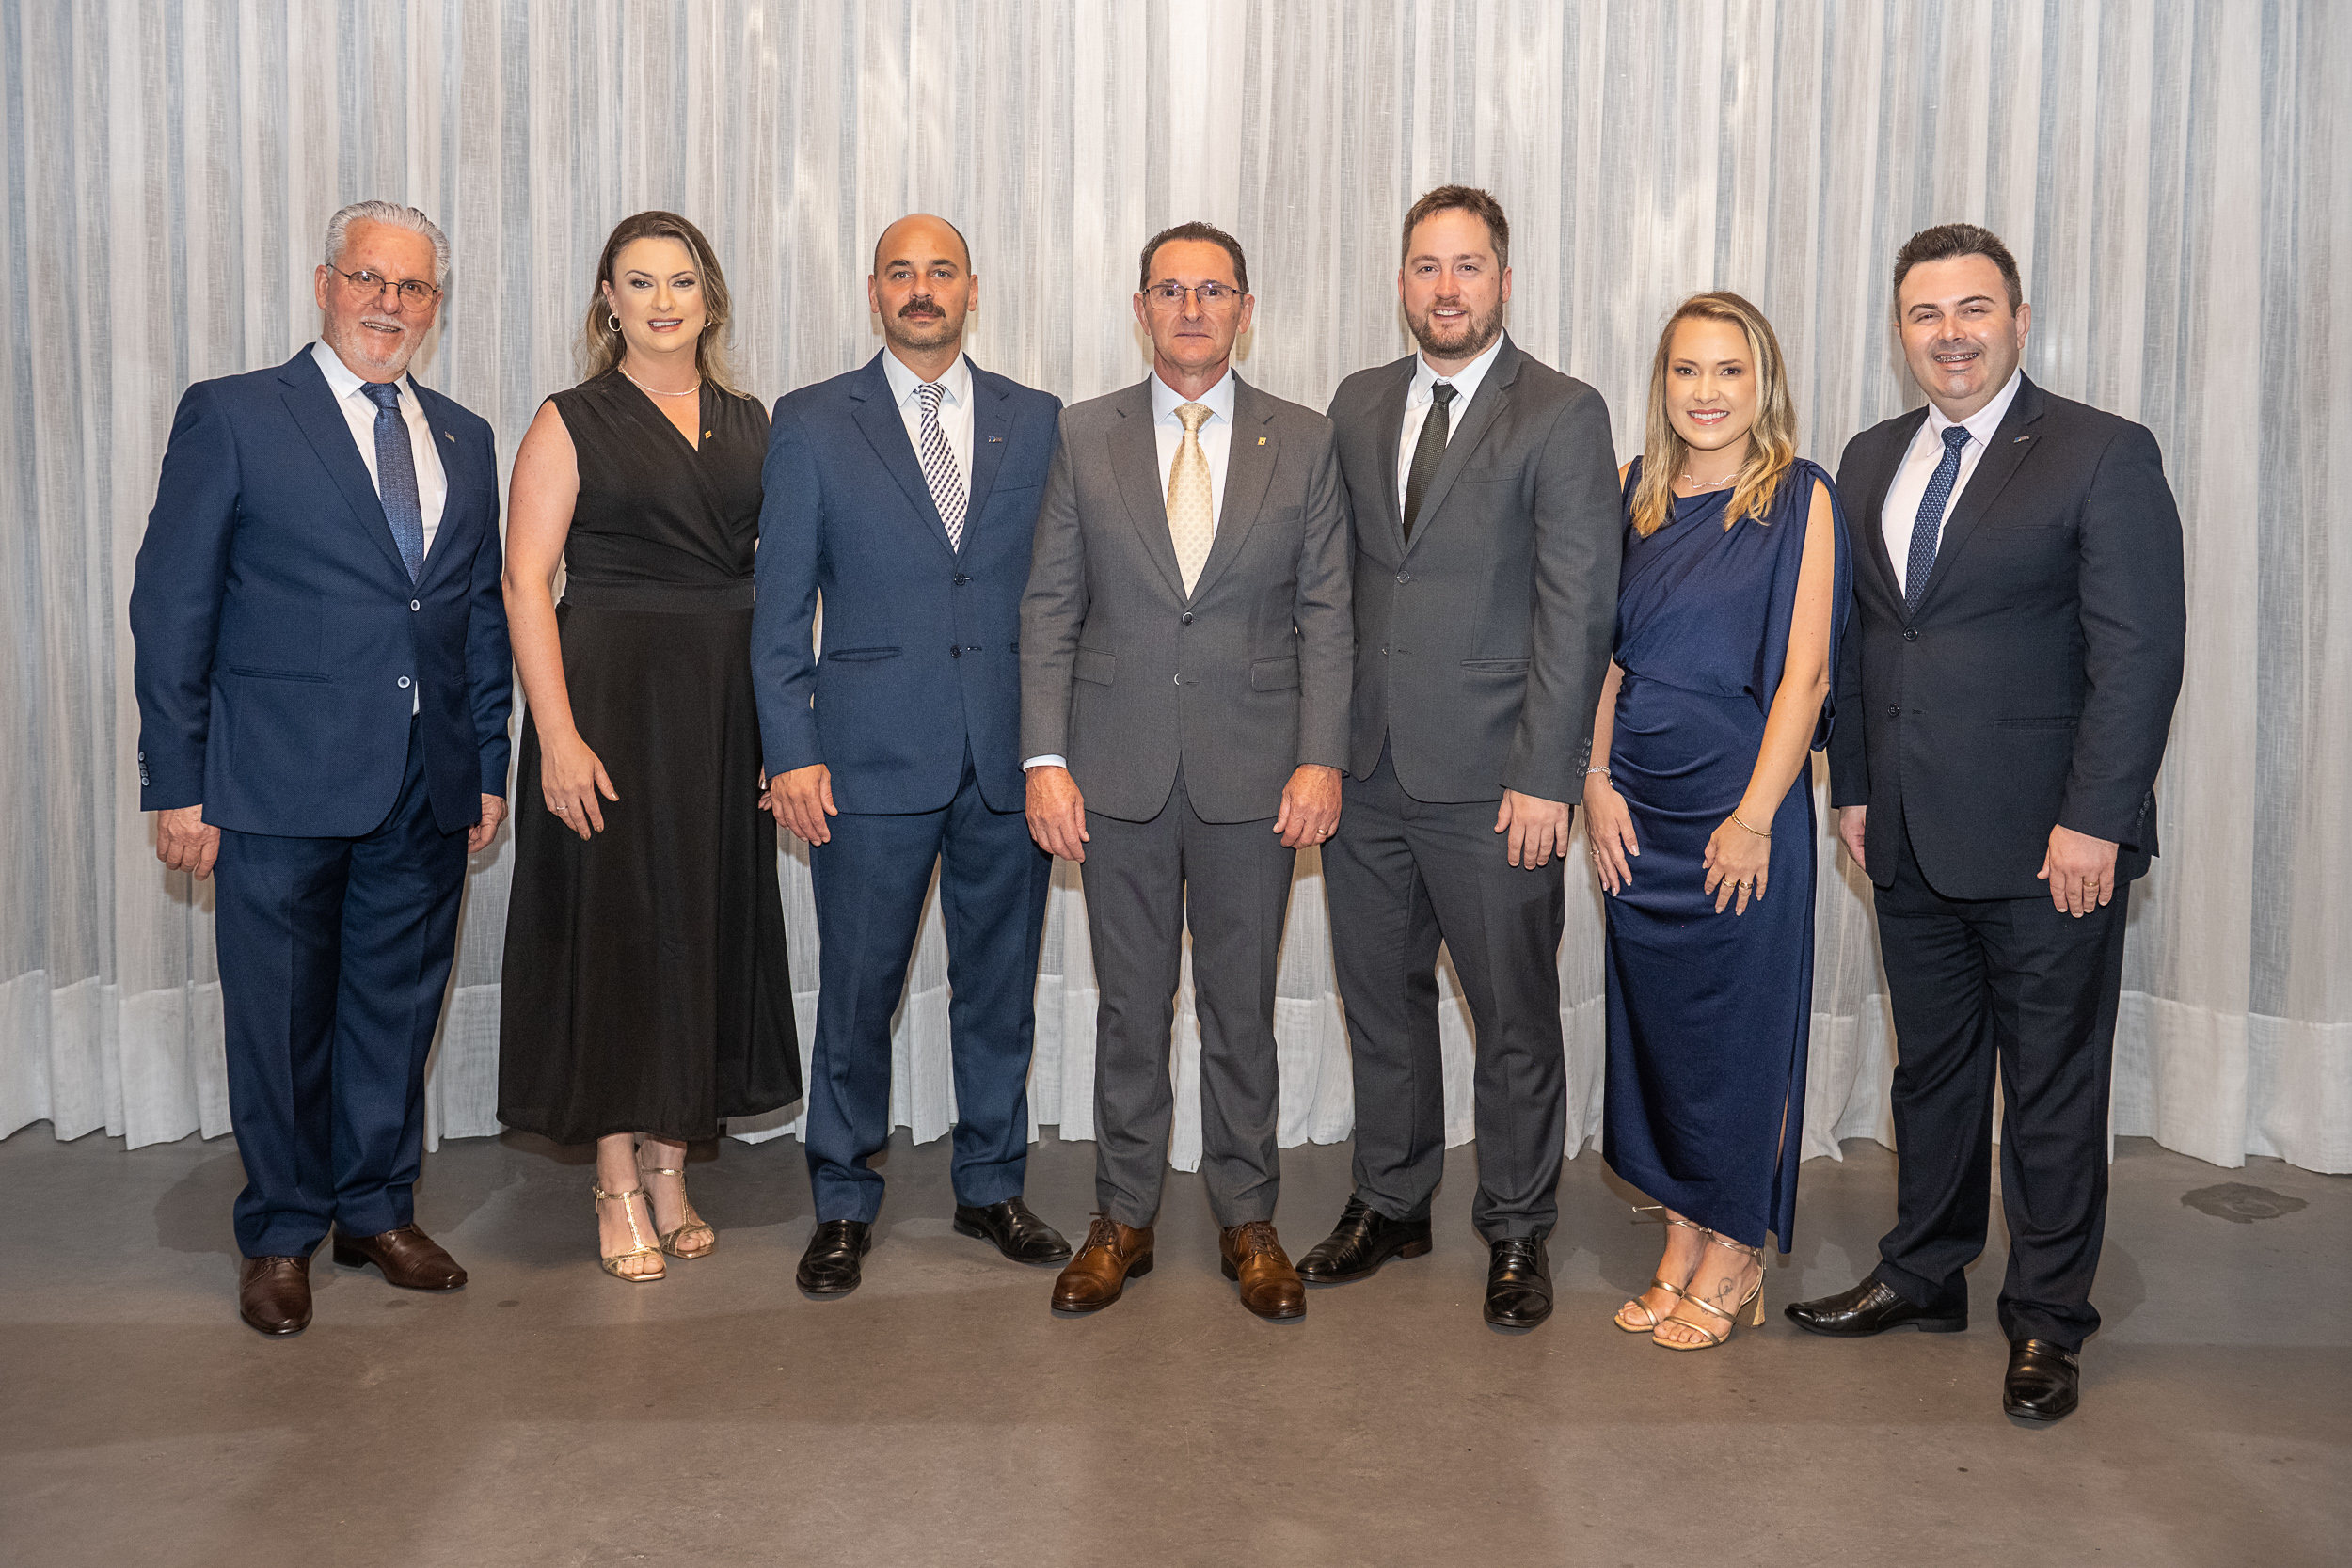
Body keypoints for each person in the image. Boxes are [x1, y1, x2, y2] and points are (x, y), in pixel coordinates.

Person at [1784, 224, 2185, 1423]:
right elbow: (1867, 641)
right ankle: (1924, 1270)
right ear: (1898, 329)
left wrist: (2094, 821)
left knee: (2051, 1088)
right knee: (1932, 1072)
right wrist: (1855, 789)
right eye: (1925, 313)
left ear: (2017, 319)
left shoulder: (2101, 452)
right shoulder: (1868, 457)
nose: (1949, 334)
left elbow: (2138, 656)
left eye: (1972, 309)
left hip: (2049, 845)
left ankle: (2047, 1318)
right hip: (1905, 835)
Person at [129, 200, 511, 1336]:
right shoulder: (237, 414)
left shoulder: (465, 436)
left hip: (425, 781)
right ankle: (282, 1229)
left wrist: (487, 762)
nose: (389, 304)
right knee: (282, 1016)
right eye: (369, 279)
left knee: (396, 1008)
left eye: (413, 287)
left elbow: (475, 617)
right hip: (274, 780)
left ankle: (376, 1209)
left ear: (435, 305)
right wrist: (178, 780)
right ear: (324, 282)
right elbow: (171, 607)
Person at [1021, 221, 1352, 1322]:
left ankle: (1248, 1218)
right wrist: (1045, 758)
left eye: (1213, 291)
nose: (1193, 309)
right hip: (1111, 771)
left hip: (1255, 775)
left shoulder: (1303, 438)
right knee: (1129, 1008)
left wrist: (1319, 756)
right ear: (1141, 308)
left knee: (1240, 1007)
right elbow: (1049, 606)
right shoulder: (1085, 433)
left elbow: (1326, 613)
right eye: (1171, 289)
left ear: (1245, 309)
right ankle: (1122, 1217)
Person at [1305, 186, 1620, 1328]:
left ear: (1503, 280)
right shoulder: (1356, 401)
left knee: (1511, 1015)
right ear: (1401, 281)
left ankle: (1517, 1224)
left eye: (1468, 266)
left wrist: (1546, 776)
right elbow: (1334, 583)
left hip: (1496, 783)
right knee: (1379, 1002)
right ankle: (1391, 1199)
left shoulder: (1562, 412)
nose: (1446, 288)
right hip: (1366, 771)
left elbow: (1576, 612)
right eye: (1427, 267)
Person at [752, 214, 1068, 1297]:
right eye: (901, 272)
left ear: (972, 288)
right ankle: (842, 1199)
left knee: (999, 992)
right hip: (865, 761)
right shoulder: (811, 421)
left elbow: (1057, 595)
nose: (921, 289)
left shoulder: (1037, 420)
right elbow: (779, 608)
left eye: (940, 271)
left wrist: (1055, 750)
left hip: (1005, 760)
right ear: (873, 290)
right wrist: (790, 750)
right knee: (856, 993)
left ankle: (991, 1184)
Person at [497, 211, 800, 1283]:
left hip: (722, 707)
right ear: (608, 301)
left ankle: (674, 1168)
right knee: (618, 933)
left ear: (709, 298)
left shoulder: (753, 421)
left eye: (681, 280)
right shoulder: (569, 417)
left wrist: (779, 727)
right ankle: (616, 1176)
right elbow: (524, 580)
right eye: (639, 281)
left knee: (702, 926)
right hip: (609, 704)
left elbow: (779, 581)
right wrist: (557, 735)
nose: (662, 300)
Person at [1583, 293, 1848, 1351]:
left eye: (1729, 370)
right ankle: (1683, 1233)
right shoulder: (1631, 491)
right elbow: (1605, 658)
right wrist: (1593, 778)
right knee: (1660, 1033)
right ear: (1663, 384)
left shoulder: (1799, 495)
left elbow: (1806, 676)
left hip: (1738, 803)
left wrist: (1753, 817)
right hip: (1636, 809)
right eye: (1686, 370)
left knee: (1739, 1033)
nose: (1706, 391)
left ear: (1762, 382)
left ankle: (1736, 1251)